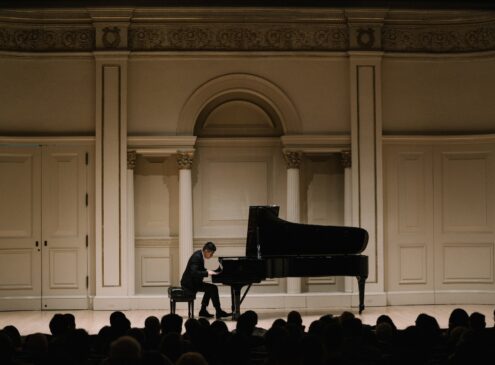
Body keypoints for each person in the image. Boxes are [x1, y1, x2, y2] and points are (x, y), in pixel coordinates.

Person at [180, 241, 230, 319]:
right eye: (211, 253)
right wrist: (207, 272)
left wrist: (210, 271)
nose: (212, 255)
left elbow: (199, 270)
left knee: (210, 288)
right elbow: (194, 272)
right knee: (213, 288)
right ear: (206, 251)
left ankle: (203, 310)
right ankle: (218, 311)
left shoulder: (199, 255)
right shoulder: (197, 257)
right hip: (189, 284)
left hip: (193, 282)